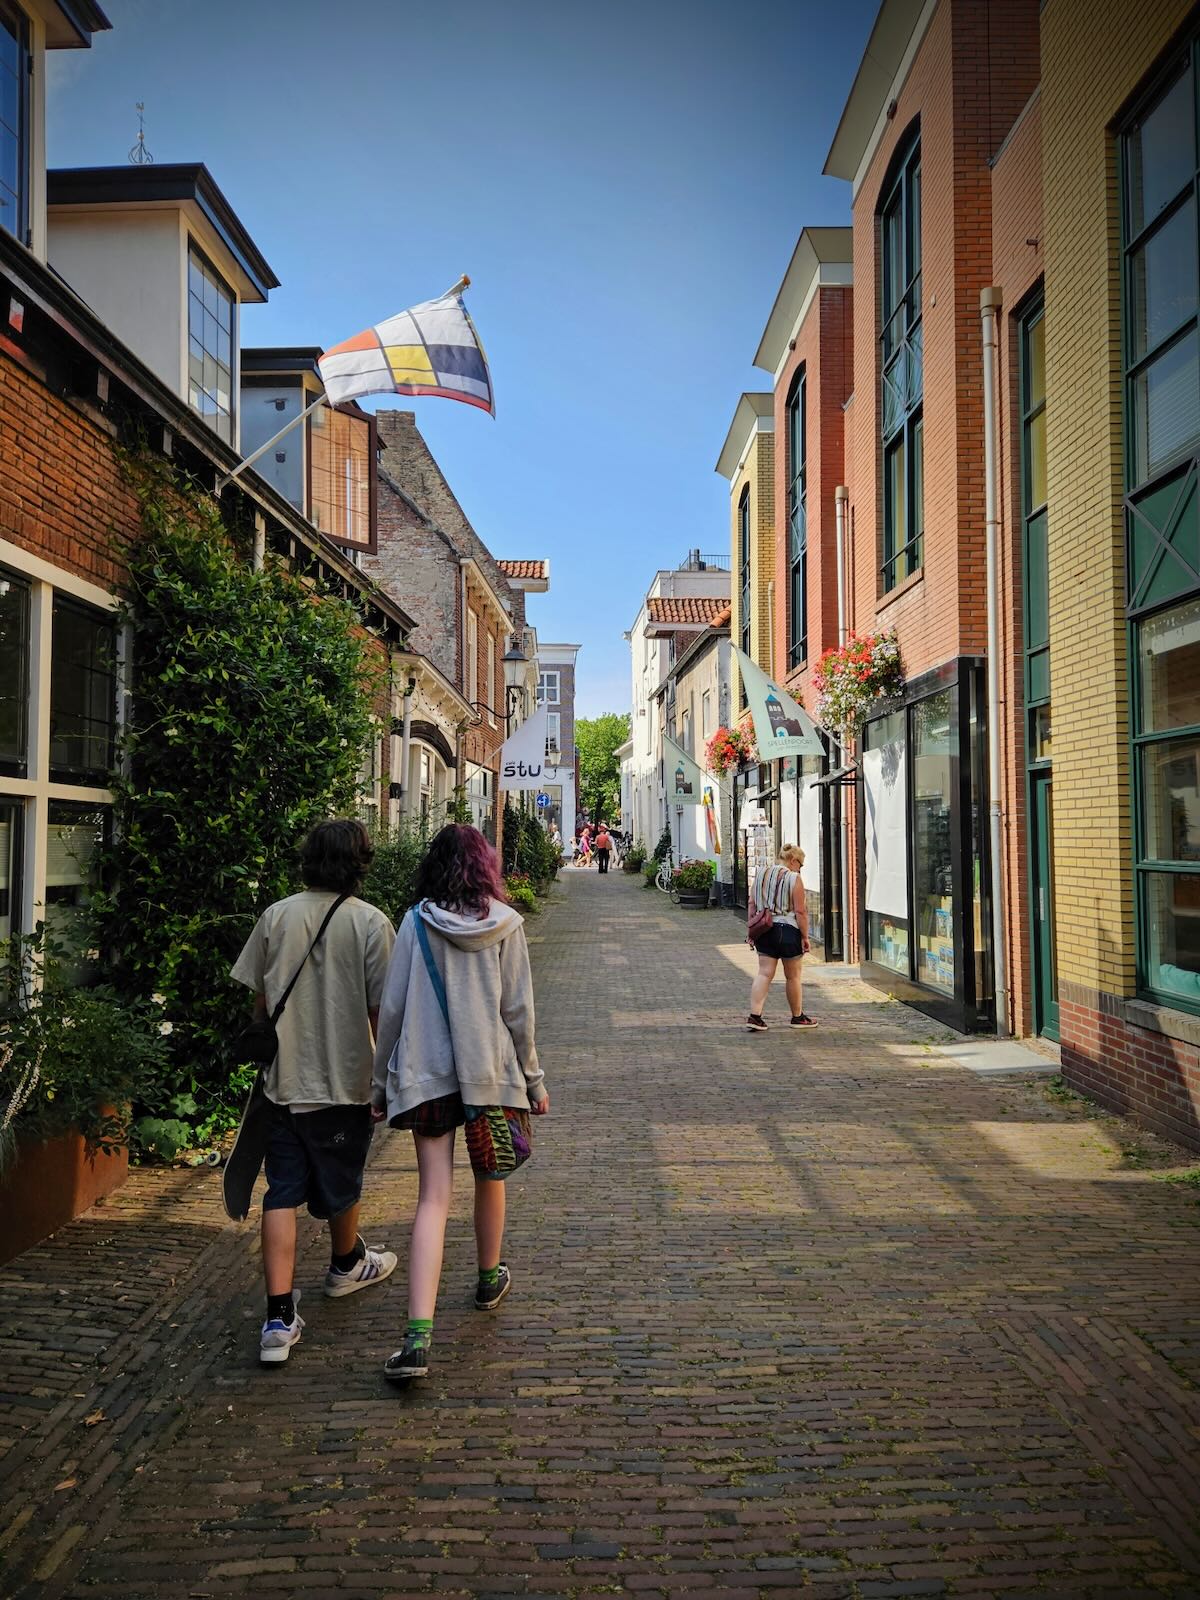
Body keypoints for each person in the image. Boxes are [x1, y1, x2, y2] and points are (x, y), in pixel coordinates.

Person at [372, 824, 549, 1382]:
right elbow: (518, 1011)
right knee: (490, 1176)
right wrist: (534, 1082)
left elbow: (392, 1010)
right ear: (484, 866)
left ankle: (417, 1339)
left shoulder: (415, 921)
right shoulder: (507, 924)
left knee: (432, 1197)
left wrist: (379, 1085)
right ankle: (489, 1278)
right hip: (489, 1075)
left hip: (426, 1076)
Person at [231, 818, 398, 1365]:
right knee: (343, 1180)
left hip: (283, 1082)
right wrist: (386, 1080)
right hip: (344, 1083)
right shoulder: (371, 923)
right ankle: (346, 1264)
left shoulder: (275, 915)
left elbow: (259, 1004)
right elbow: (382, 1014)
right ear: (359, 862)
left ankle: (278, 1319)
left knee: (280, 1191)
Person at [746, 844, 816, 1031]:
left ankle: (755, 1016)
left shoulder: (760, 874)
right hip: (788, 930)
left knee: (764, 973)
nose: (800, 868)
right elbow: (800, 912)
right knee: (793, 976)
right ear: (793, 861)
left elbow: (752, 904)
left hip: (764, 929)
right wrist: (805, 937)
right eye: (800, 864)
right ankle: (797, 1017)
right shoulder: (794, 878)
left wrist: (751, 929)